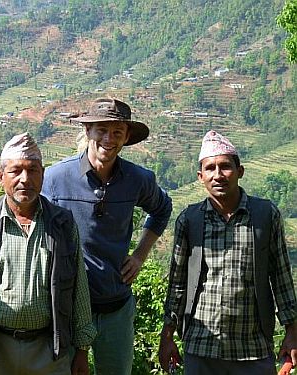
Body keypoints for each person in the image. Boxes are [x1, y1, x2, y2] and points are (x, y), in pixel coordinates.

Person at [0, 133, 96, 375]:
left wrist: (82, 349)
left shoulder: (62, 224)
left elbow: (79, 287)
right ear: (0, 176)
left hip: (50, 350)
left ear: (43, 174)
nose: (25, 179)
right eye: (16, 171)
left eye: (33, 170)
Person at [42, 98, 173, 374]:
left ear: (126, 137)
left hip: (115, 307)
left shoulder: (138, 180)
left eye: (117, 132)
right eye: (101, 129)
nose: (108, 139)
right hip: (66, 310)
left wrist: (139, 256)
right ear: (88, 131)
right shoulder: (55, 179)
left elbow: (162, 209)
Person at [158, 130, 297, 374]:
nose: (218, 175)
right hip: (201, 345)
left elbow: (281, 277)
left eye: (225, 166)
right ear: (201, 177)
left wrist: (292, 332)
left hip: (253, 346)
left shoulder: (265, 216)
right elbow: (177, 284)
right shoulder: (190, 220)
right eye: (210, 168)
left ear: (240, 171)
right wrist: (167, 335)